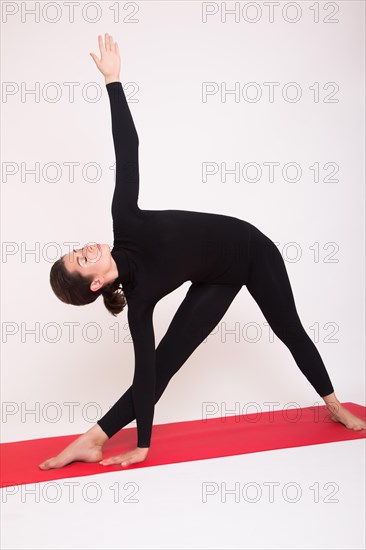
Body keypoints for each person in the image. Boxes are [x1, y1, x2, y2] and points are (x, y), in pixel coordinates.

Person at [39, 33, 365, 471]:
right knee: (163, 363)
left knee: (288, 328)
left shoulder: (125, 222)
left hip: (252, 249)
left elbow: (128, 150)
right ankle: (93, 439)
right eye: (82, 258)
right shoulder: (139, 304)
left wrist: (113, 82)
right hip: (217, 278)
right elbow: (147, 376)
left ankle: (335, 405)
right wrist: (146, 445)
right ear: (97, 283)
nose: (87, 247)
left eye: (77, 249)